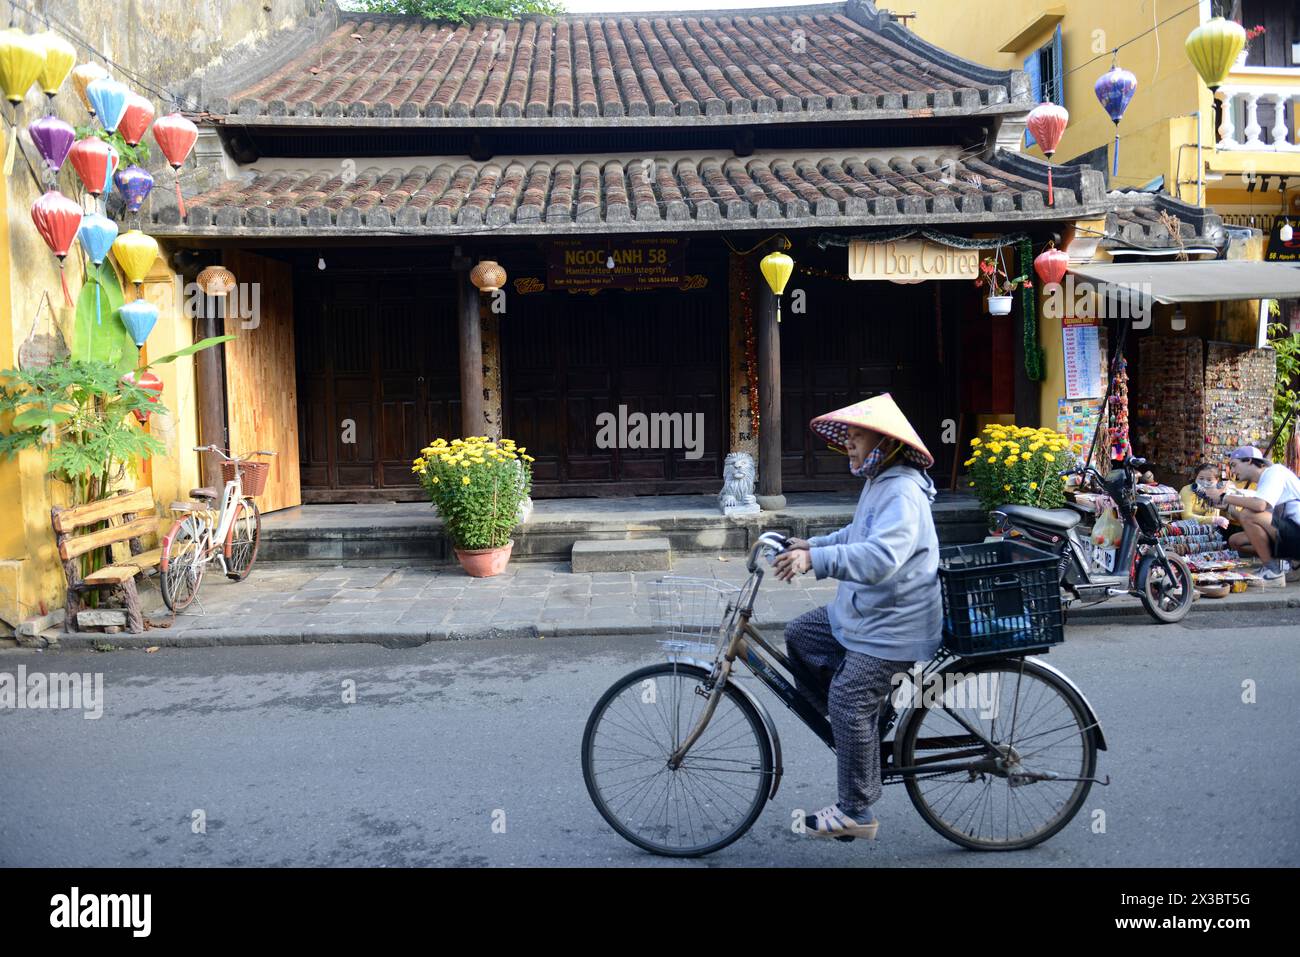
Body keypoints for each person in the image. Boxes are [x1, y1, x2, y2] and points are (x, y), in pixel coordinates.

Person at [773, 394, 942, 841]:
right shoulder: (880, 481)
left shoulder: (902, 488)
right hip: (868, 612)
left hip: (894, 624)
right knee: (801, 635)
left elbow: (881, 556)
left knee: (848, 701)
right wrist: (813, 544)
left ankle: (857, 809)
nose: (848, 443)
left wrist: (819, 562)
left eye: (856, 435)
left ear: (884, 441)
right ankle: (857, 727)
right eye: (846, 436)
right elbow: (857, 533)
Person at [1203, 446, 1300, 580]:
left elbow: (1258, 507)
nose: (1233, 470)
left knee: (1248, 514)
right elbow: (1255, 521)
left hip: (1296, 533)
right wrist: (1228, 508)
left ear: (1248, 460)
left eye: (1234, 465)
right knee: (1236, 541)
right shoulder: (1264, 481)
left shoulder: (1274, 472)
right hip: (1290, 534)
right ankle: (1288, 562)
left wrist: (1223, 496)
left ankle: (1274, 572)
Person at [1179, 462, 1230, 528]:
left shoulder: (1215, 493)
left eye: (1209, 479)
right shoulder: (1187, 490)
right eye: (1201, 478)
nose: (1204, 482)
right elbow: (1186, 516)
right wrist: (1214, 519)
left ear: (1217, 480)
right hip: (1187, 527)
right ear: (1196, 477)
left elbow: (1212, 518)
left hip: (1206, 529)